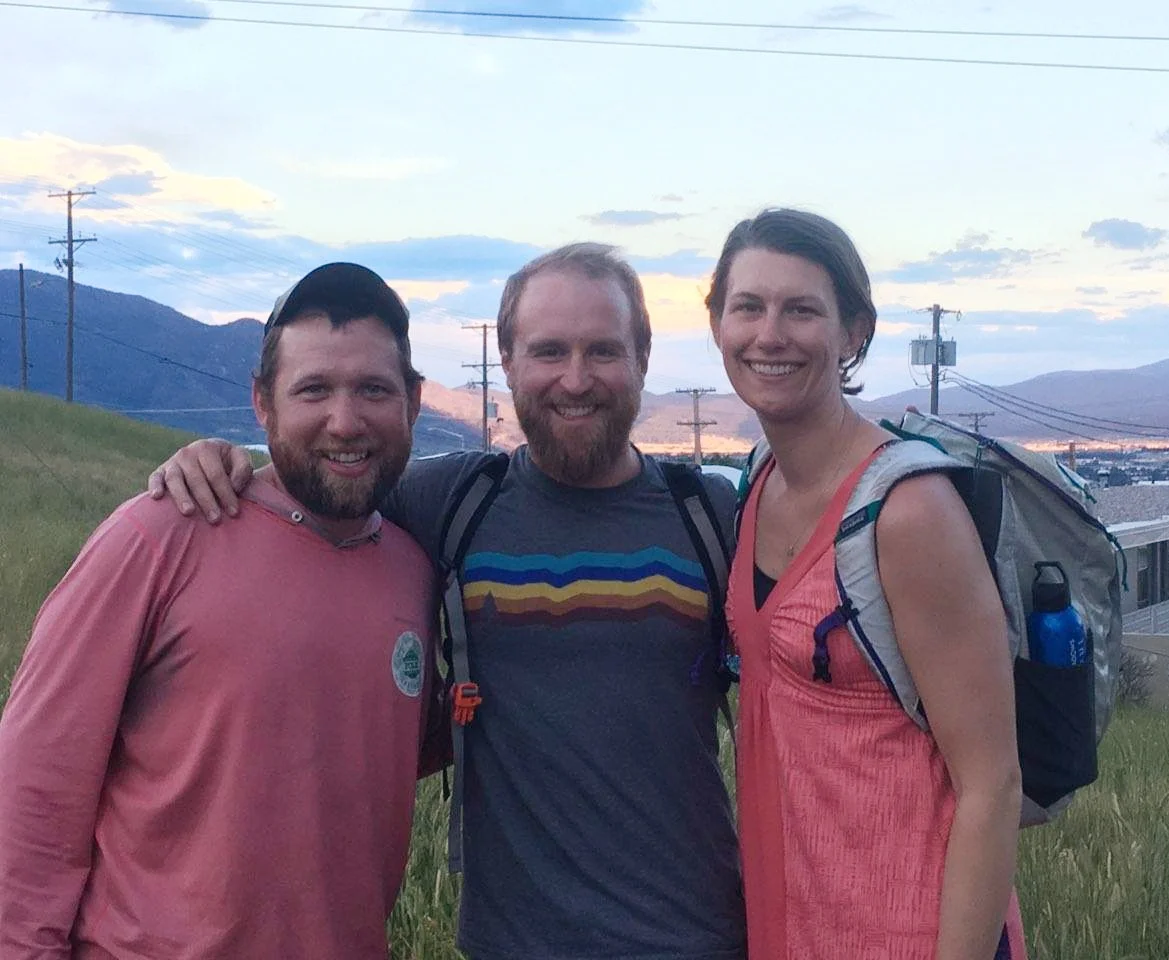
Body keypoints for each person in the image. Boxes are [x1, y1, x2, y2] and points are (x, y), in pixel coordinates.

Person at [144, 243, 747, 960]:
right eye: (549, 351)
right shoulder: (454, 502)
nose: (575, 379)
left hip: (699, 936)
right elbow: (327, 478)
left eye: (603, 351)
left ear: (642, 357)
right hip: (509, 944)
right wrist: (223, 462)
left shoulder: (713, 517)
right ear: (508, 361)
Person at [0, 262, 448, 959]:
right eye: (314, 390)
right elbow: (36, 780)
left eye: (373, 389)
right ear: (262, 403)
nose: (345, 421)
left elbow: (369, 755)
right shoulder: (160, 534)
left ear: (413, 402)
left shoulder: (415, 571)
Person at [705, 209, 1026, 960]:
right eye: (748, 307)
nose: (769, 334)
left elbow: (993, 784)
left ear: (854, 333)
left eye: (801, 310)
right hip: (792, 925)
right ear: (718, 323)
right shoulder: (756, 486)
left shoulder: (908, 512)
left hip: (912, 931)